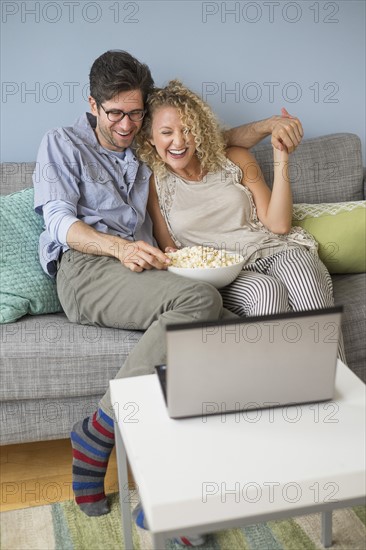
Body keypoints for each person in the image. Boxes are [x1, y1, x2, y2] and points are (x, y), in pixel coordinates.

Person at [33, 50, 305, 545]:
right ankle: (101, 433)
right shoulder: (62, 143)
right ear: (91, 104)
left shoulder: (146, 144)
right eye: (114, 112)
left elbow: (210, 139)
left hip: (144, 272)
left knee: (213, 322)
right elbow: (58, 220)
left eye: (135, 113)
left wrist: (268, 126)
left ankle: (176, 491)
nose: (125, 124)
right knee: (203, 304)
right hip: (88, 269)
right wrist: (118, 247)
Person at [137, 80, 346, 349]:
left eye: (187, 129)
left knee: (303, 277)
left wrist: (281, 154)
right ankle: (276, 388)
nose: (179, 141)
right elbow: (172, 251)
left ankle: (334, 385)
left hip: (272, 249)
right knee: (266, 292)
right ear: (150, 139)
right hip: (224, 274)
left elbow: (279, 225)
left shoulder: (234, 158)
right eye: (166, 132)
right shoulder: (154, 185)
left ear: (199, 131)